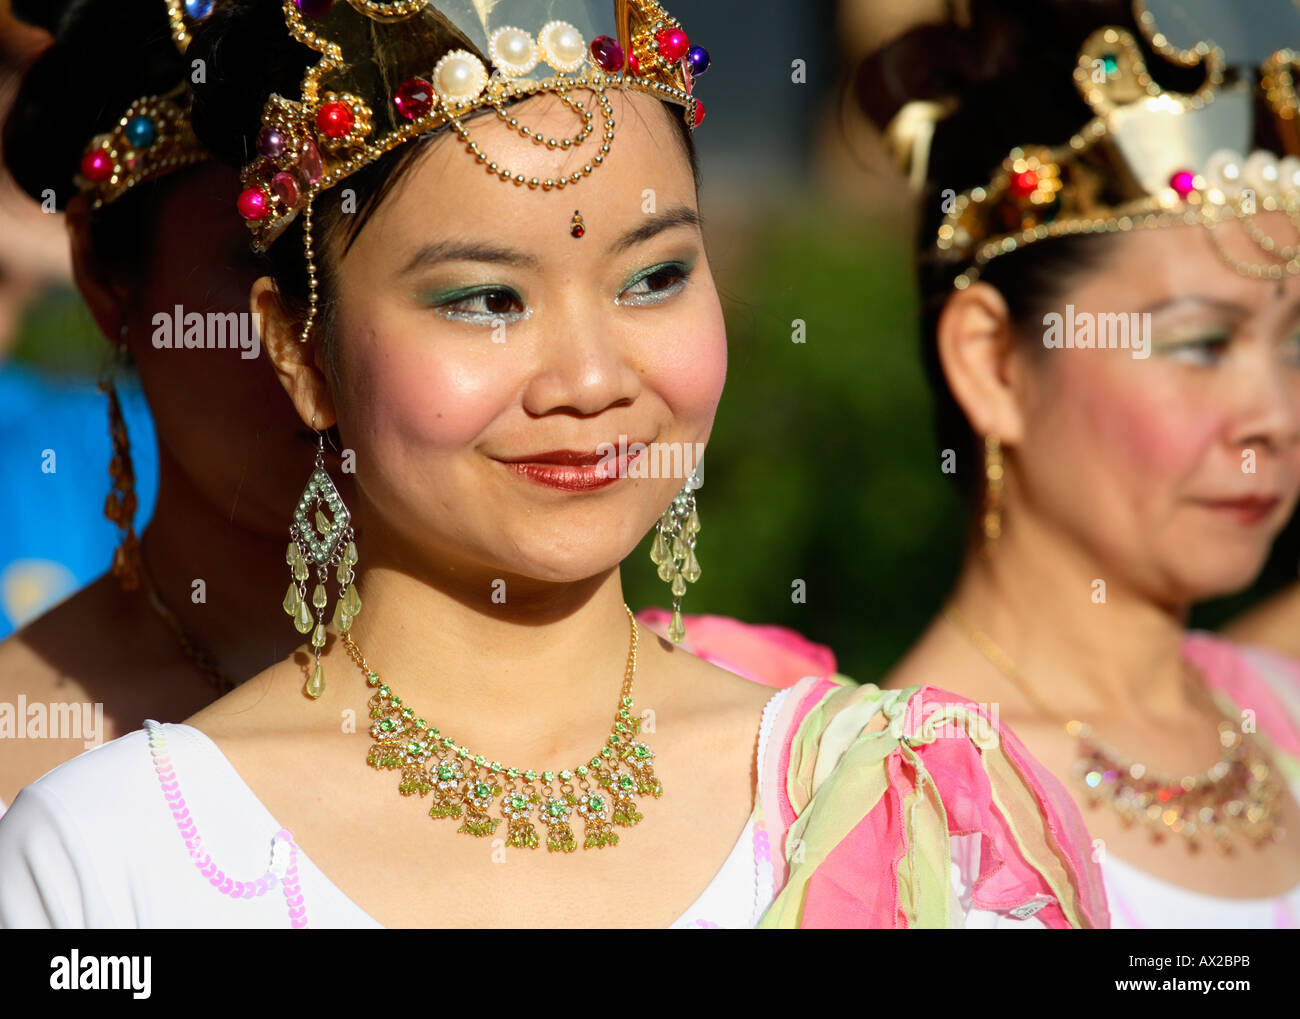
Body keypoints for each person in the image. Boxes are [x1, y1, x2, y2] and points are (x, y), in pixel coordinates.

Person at [0, 0, 1106, 928]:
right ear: (301, 350)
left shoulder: (905, 797)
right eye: (484, 299)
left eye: (655, 277)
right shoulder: (107, 856)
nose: (588, 377)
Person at [858, 0, 1300, 926]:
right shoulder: (896, 825)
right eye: (1199, 344)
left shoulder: (1281, 714)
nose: (1273, 416)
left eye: (1296, 346)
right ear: (995, 362)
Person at [0, 0, 357, 811]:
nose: (344, 344)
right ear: (103, 275)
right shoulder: (24, 760)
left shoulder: (689, 711)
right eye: (272, 261)